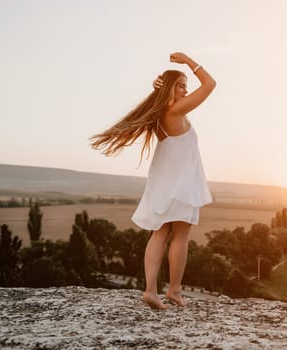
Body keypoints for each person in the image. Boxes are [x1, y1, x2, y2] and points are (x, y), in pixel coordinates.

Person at [90, 52, 216, 309]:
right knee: (181, 235)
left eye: (185, 86)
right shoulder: (175, 110)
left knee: (160, 232)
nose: (185, 89)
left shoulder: (161, 113)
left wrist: (158, 90)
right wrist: (188, 61)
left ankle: (150, 291)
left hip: (164, 182)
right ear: (170, 87)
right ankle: (175, 291)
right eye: (181, 85)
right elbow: (210, 85)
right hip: (180, 184)